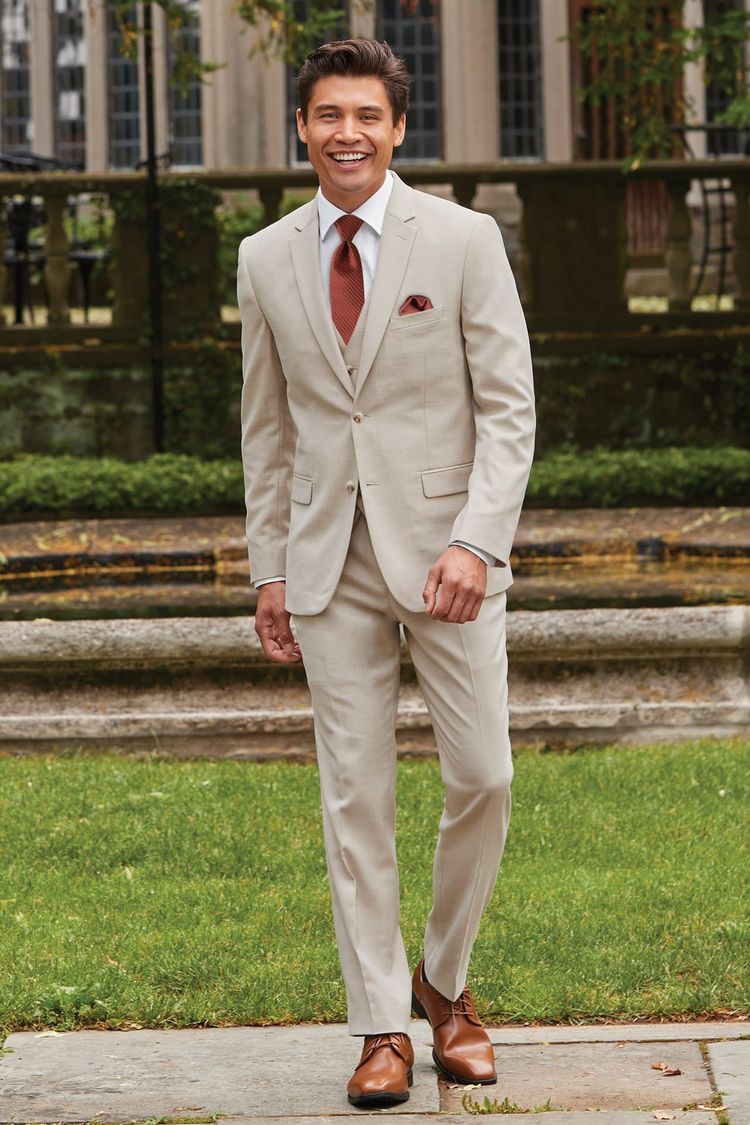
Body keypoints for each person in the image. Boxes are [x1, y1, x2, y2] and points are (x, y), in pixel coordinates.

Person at [237, 38, 535, 1109]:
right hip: (326, 566)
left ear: (400, 128)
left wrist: (478, 541)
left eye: (367, 113)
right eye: (328, 115)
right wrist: (269, 566)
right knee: (353, 798)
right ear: (304, 130)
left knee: (485, 777)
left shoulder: (462, 239)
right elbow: (265, 429)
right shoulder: (265, 257)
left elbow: (508, 407)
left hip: (450, 559)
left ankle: (444, 985)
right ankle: (381, 1031)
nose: (348, 132)